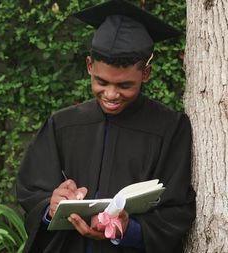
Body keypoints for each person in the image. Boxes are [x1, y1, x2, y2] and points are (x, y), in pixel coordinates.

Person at [16, 1, 196, 252]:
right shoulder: (63, 124)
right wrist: (51, 205)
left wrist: (128, 229)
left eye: (125, 85)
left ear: (146, 73)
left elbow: (176, 209)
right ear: (89, 66)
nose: (111, 94)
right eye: (101, 82)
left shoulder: (170, 129)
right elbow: (31, 189)